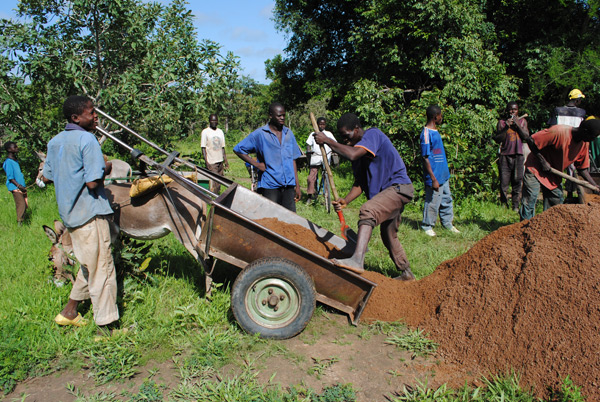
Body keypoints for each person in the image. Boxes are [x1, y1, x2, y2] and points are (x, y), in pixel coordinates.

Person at [42, 95, 119, 333]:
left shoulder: (55, 142)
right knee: (102, 269)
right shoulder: (87, 140)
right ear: (76, 117)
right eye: (91, 112)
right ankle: (106, 328)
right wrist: (105, 168)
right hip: (90, 215)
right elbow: (94, 183)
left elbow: (48, 175)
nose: (95, 116)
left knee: (88, 265)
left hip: (71, 215)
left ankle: (70, 312)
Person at [314, 113, 416, 281]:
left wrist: (329, 141)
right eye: (341, 137)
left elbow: (353, 154)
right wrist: (345, 200)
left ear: (356, 129)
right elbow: (360, 183)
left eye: (346, 135)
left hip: (398, 188)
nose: (345, 140)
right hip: (387, 194)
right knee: (388, 233)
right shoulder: (357, 154)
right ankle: (406, 273)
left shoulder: (372, 135)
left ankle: (357, 259)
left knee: (368, 210)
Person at [519, 119, 600, 221]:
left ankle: (547, 230)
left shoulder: (584, 144)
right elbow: (531, 140)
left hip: (554, 173)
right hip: (535, 167)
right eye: (592, 137)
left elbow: (582, 169)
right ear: (585, 131)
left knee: (555, 204)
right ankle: (524, 230)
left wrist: (594, 185)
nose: (593, 140)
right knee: (529, 200)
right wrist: (543, 161)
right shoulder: (558, 132)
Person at [233, 102, 302, 212]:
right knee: (271, 217)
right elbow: (238, 149)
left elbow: (293, 160)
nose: (282, 118)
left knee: (290, 219)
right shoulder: (260, 134)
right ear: (270, 116)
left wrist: (296, 186)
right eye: (279, 115)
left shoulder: (288, 133)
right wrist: (256, 164)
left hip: (288, 184)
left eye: (284, 115)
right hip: (270, 184)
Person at [420, 105, 459, 237]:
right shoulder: (425, 134)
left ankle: (447, 223)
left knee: (447, 199)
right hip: (434, 176)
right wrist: (433, 178)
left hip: (443, 174)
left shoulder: (435, 131)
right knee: (432, 201)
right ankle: (427, 225)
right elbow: (425, 158)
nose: (441, 117)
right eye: (440, 115)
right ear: (435, 116)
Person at [547, 89, 587, 200]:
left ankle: (555, 192)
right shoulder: (581, 113)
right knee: (572, 170)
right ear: (577, 100)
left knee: (557, 169)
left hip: (558, 144)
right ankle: (570, 194)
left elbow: (551, 128)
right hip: (573, 146)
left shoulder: (557, 111)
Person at [494, 101, 529, 211]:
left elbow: (526, 136)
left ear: (518, 111)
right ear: (507, 110)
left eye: (515, 109)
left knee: (517, 181)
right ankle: (504, 204)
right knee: (504, 182)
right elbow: (497, 138)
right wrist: (506, 127)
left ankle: (515, 205)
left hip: (518, 155)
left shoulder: (522, 121)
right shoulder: (502, 122)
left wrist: (517, 125)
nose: (512, 111)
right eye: (510, 109)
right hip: (505, 155)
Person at [306, 117, 337, 204]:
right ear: (317, 124)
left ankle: (326, 196)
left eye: (323, 124)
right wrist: (308, 151)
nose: (321, 126)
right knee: (311, 178)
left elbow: (334, 143)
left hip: (325, 158)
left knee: (326, 177)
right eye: (320, 124)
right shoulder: (313, 134)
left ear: (325, 125)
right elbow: (308, 144)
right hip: (315, 157)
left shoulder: (328, 134)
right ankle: (310, 195)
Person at [200, 114, 228, 193]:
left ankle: (216, 195)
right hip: (211, 161)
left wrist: (225, 160)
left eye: (215, 120)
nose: (214, 122)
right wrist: (206, 161)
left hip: (219, 160)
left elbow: (222, 147)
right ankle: (215, 199)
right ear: (209, 121)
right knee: (216, 181)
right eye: (212, 120)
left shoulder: (220, 132)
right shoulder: (205, 132)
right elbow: (203, 148)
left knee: (220, 179)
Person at [3, 141, 28, 225]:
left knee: (25, 205)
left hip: (20, 186)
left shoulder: (15, 160)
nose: (17, 148)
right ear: (9, 149)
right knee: (21, 205)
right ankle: (19, 224)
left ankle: (23, 222)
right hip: (15, 187)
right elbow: (10, 177)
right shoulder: (8, 162)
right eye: (15, 147)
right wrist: (19, 186)